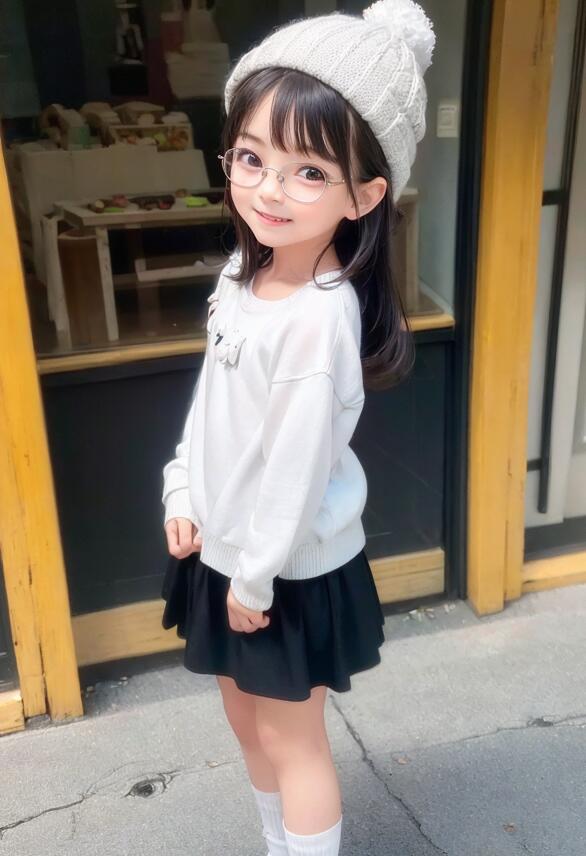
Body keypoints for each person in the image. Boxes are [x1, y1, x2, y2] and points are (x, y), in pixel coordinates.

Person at [160, 1, 435, 853]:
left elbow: (296, 466)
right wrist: (181, 486)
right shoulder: (242, 279)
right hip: (223, 547)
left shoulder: (318, 318)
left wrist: (254, 579)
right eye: (251, 157)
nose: (269, 189)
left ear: (366, 195)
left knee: (291, 738)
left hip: (281, 568)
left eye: (309, 171)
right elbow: (212, 406)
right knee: (246, 722)